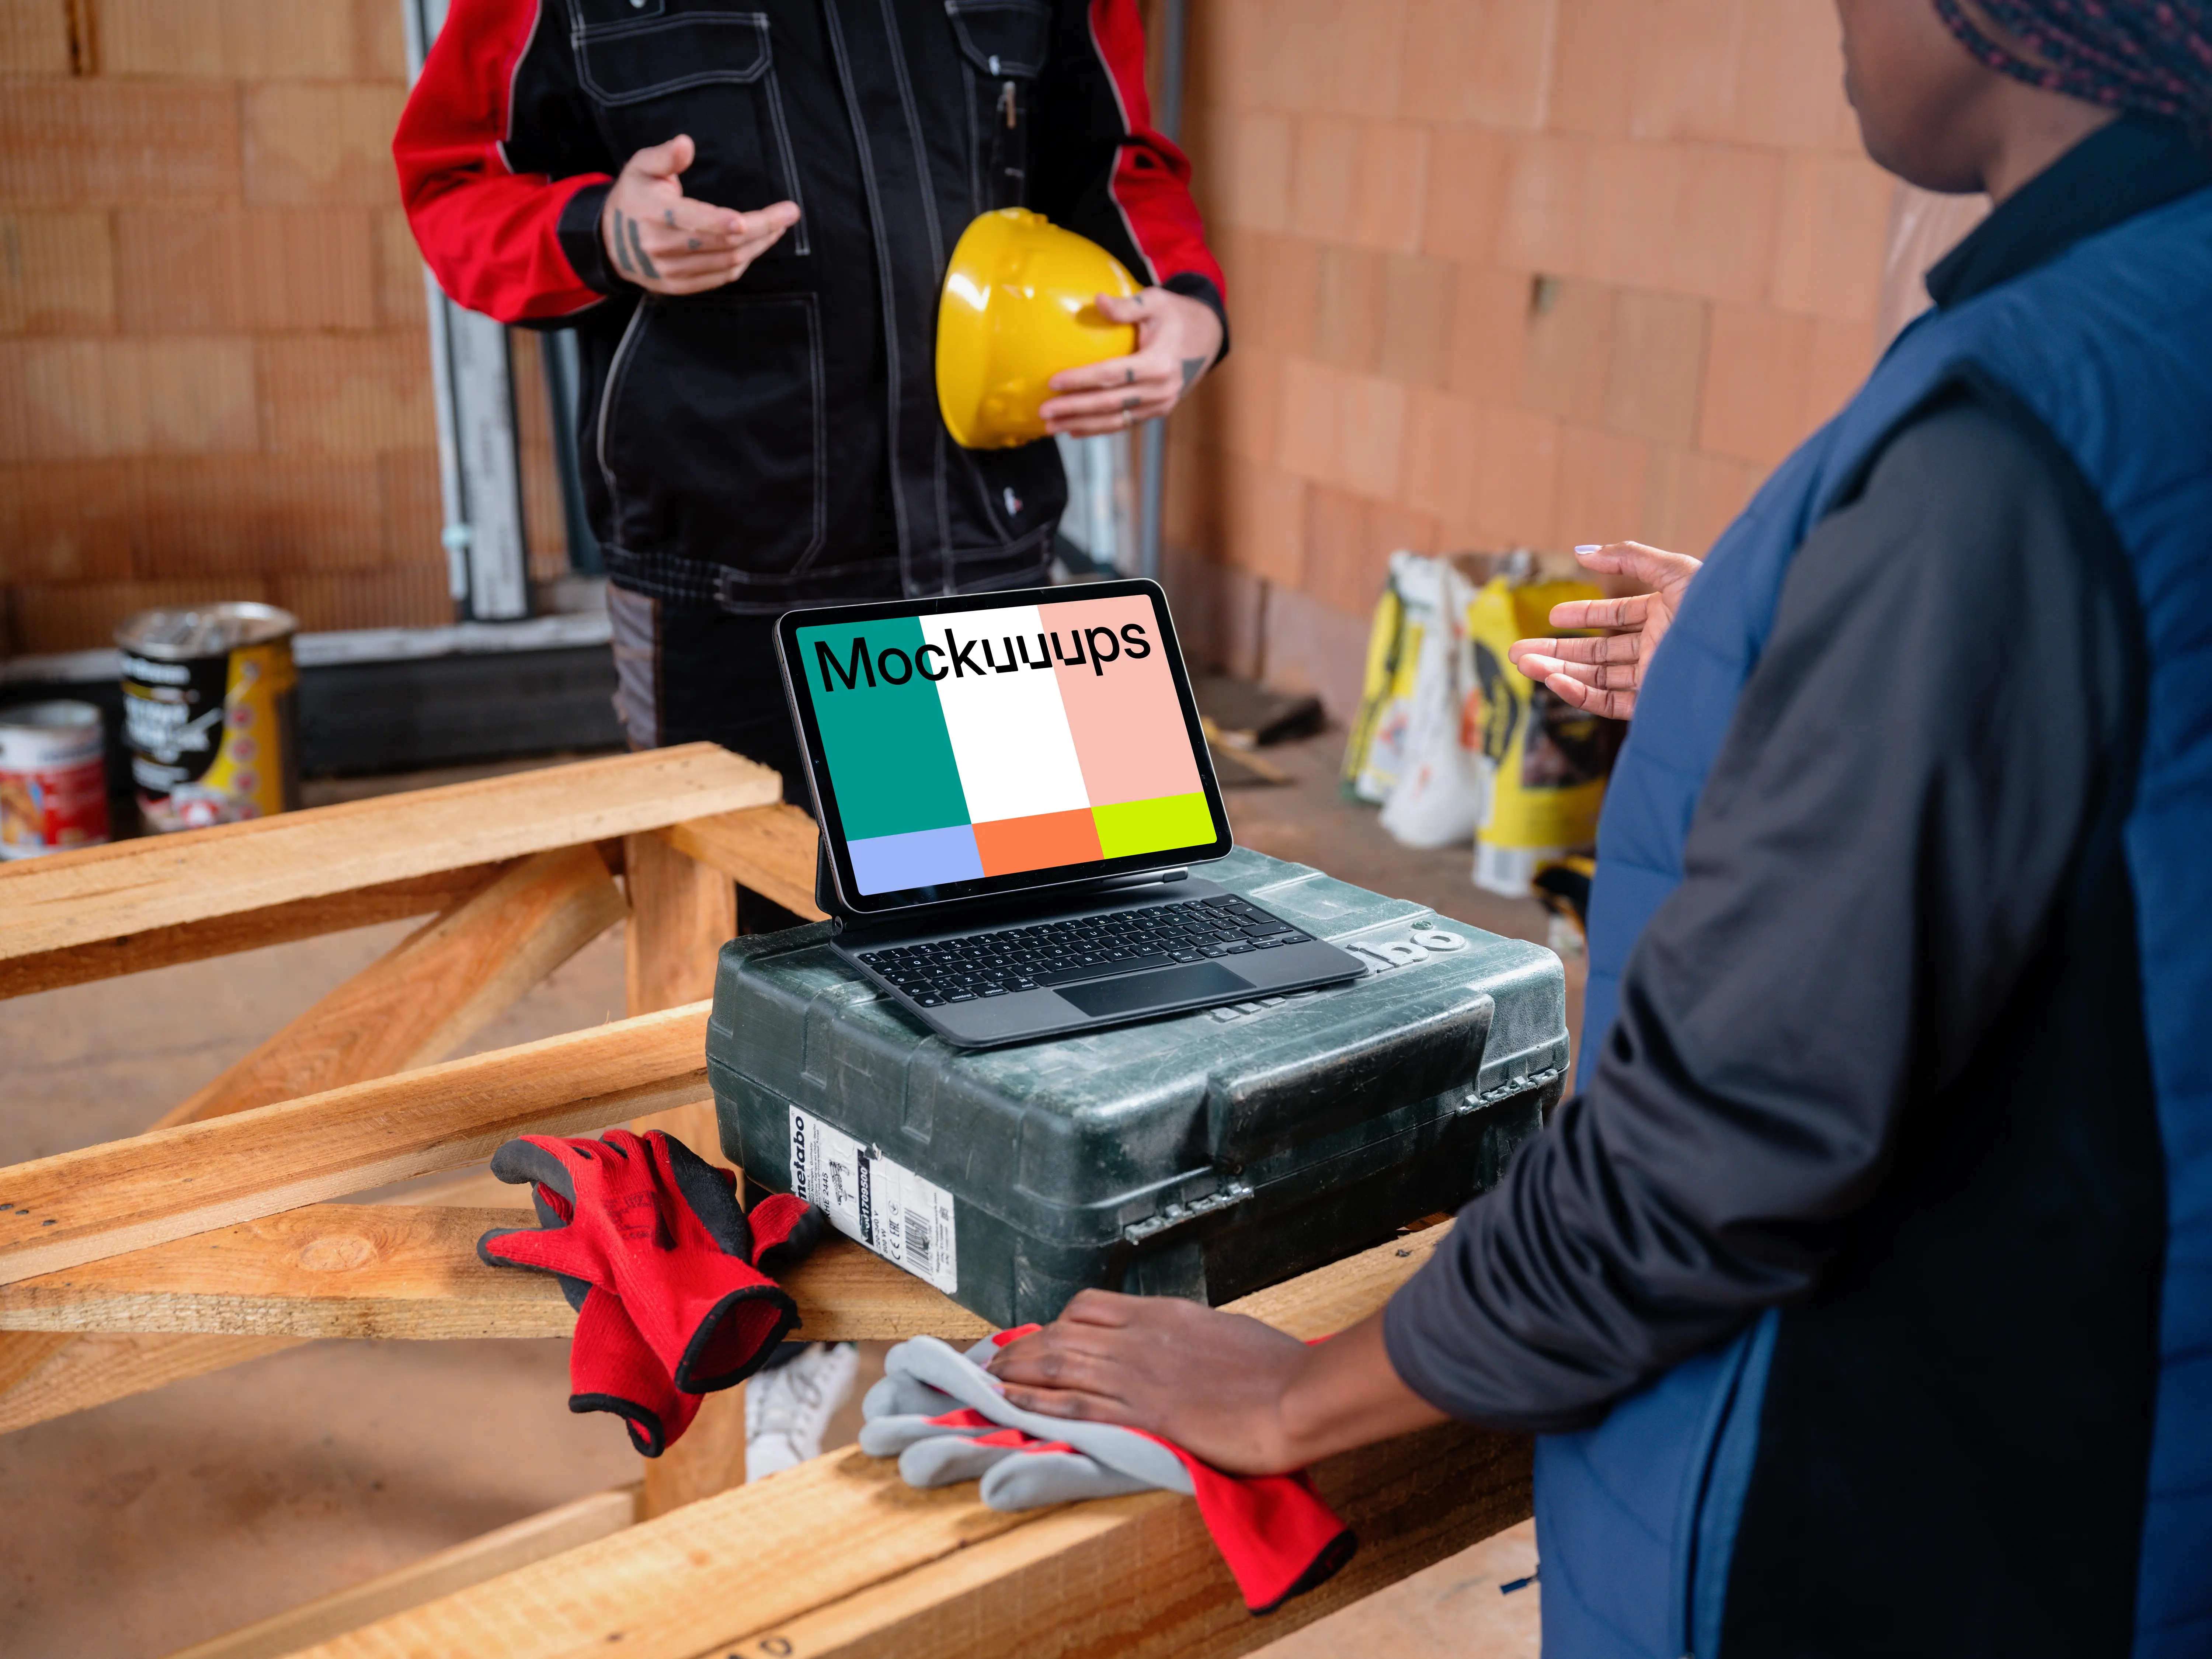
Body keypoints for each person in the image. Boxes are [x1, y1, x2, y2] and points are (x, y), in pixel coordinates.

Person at [988, 3, 2212, 1653]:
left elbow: (1715, 1146)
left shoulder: (2003, 447)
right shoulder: (2150, 318)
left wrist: (1305, 1396)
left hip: (1904, 1503)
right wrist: (1803, 644)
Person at [392, 0, 1227, 797]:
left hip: (991, 555)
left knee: (1041, 925)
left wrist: (1190, 310)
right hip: (729, 592)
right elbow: (456, 186)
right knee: (751, 931)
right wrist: (603, 232)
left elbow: (1116, 165)